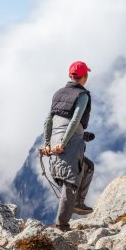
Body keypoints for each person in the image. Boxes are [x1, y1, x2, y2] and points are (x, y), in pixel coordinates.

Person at [39, 61, 95, 231]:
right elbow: (75, 120)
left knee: (87, 167)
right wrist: (63, 143)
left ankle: (78, 204)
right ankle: (61, 225)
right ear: (84, 76)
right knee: (70, 181)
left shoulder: (58, 94)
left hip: (55, 141)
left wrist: (48, 144)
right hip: (68, 143)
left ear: (70, 76)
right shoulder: (82, 95)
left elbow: (48, 120)